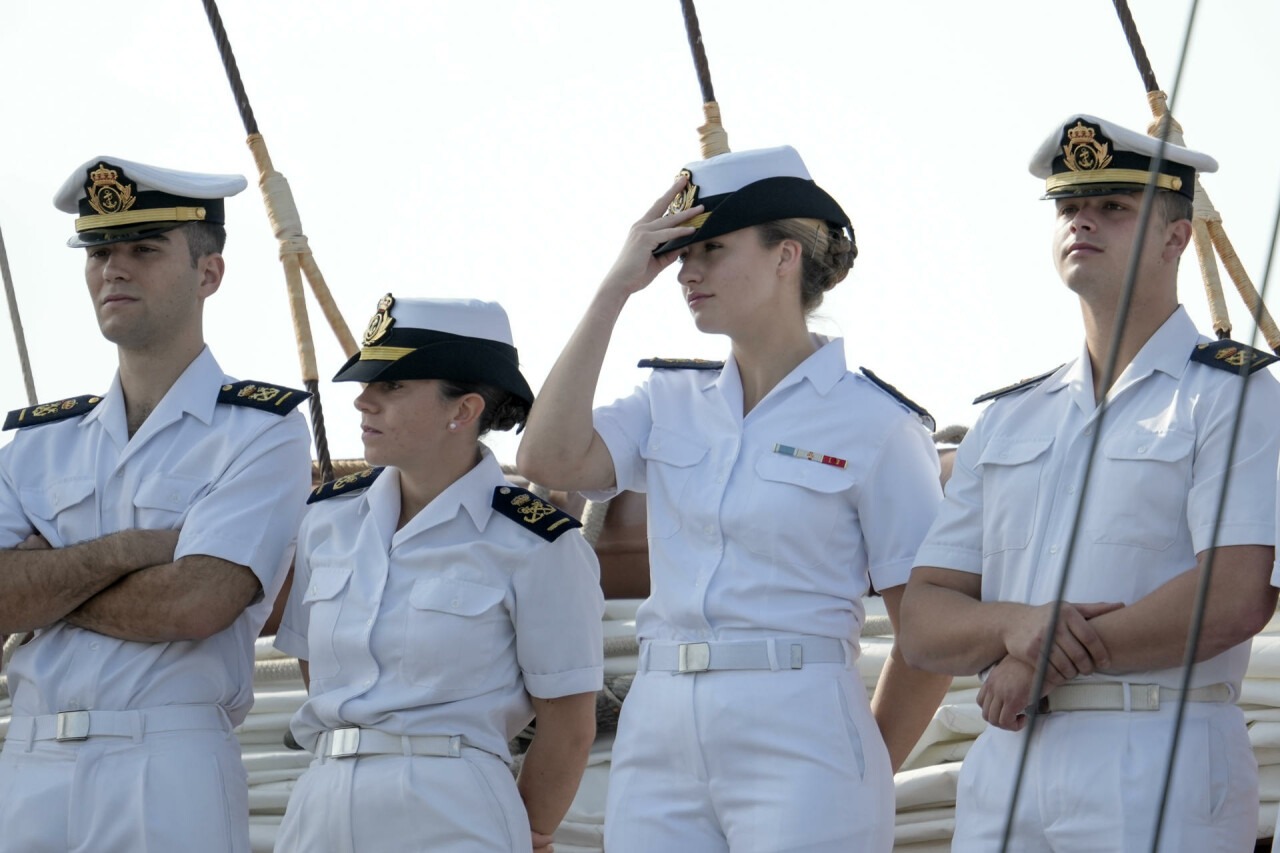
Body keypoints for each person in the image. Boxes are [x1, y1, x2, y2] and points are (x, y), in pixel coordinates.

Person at [517, 145, 952, 852]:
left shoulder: (878, 425)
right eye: (680, 254)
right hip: (658, 726)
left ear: (786, 257)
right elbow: (548, 456)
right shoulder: (668, 400)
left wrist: (861, 763)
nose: (687, 271)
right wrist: (613, 290)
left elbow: (928, 636)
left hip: (802, 721)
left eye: (711, 249)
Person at [900, 115, 1280, 851]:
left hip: (1158, 751)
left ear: (1177, 237)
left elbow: (1234, 595)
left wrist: (1044, 657)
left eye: (1113, 207)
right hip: (1007, 763)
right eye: (1071, 207)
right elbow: (923, 619)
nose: (1083, 222)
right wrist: (1015, 627)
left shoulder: (1235, 395)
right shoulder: (1009, 418)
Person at [0, 157, 313, 851]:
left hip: (166, 762)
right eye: (101, 251)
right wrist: (127, 552)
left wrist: (42, 582)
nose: (114, 269)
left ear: (209, 273)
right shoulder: (35, 442)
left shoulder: (261, 430)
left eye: (143, 249)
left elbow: (195, 604)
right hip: (28, 763)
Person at [273, 295, 604, 853]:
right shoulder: (326, 520)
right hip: (321, 802)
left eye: (392, 386)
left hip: (453, 805)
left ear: (464, 409)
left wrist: (529, 832)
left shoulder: (537, 542)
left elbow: (569, 726)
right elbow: (317, 669)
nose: (362, 402)